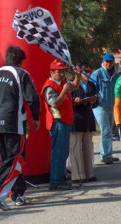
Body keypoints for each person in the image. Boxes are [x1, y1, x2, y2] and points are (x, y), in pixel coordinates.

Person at [0, 46, 41, 211]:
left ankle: (18, 194)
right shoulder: (21, 74)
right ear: (21, 61)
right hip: (13, 121)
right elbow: (32, 97)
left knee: (9, 160)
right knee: (17, 158)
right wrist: (36, 116)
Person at [41, 58, 81, 190]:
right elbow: (54, 103)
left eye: (63, 71)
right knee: (58, 153)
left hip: (65, 122)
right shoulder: (50, 86)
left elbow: (74, 86)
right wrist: (64, 91)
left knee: (63, 153)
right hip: (58, 123)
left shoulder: (61, 83)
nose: (63, 74)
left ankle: (59, 179)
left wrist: (77, 76)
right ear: (52, 72)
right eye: (60, 72)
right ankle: (55, 181)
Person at [70, 63, 98, 183]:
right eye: (85, 71)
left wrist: (94, 101)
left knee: (88, 147)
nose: (88, 74)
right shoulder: (72, 85)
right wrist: (75, 101)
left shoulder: (91, 84)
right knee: (76, 149)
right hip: (76, 118)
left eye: (90, 71)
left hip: (88, 118)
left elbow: (96, 101)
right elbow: (69, 101)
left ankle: (89, 173)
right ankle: (77, 175)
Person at [91, 53, 119, 165]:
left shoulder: (116, 74)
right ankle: (106, 156)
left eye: (110, 61)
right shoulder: (97, 74)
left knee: (109, 131)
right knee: (106, 130)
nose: (108, 63)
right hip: (100, 106)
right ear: (103, 62)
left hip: (112, 106)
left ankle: (108, 154)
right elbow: (91, 88)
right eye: (106, 61)